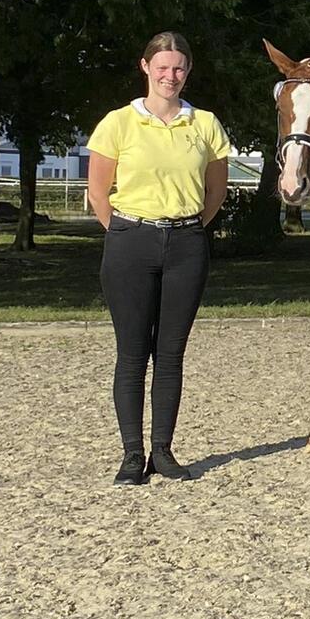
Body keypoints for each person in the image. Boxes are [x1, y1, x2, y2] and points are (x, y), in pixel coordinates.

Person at [86, 32, 232, 485]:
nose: (171, 76)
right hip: (130, 239)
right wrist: (130, 233)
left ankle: (163, 450)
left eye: (180, 68)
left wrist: (185, 230)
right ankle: (132, 454)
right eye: (163, 67)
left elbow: (216, 192)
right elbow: (97, 192)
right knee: (132, 354)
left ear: (188, 72)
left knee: (170, 354)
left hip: (186, 242)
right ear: (145, 67)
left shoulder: (205, 124)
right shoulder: (118, 123)